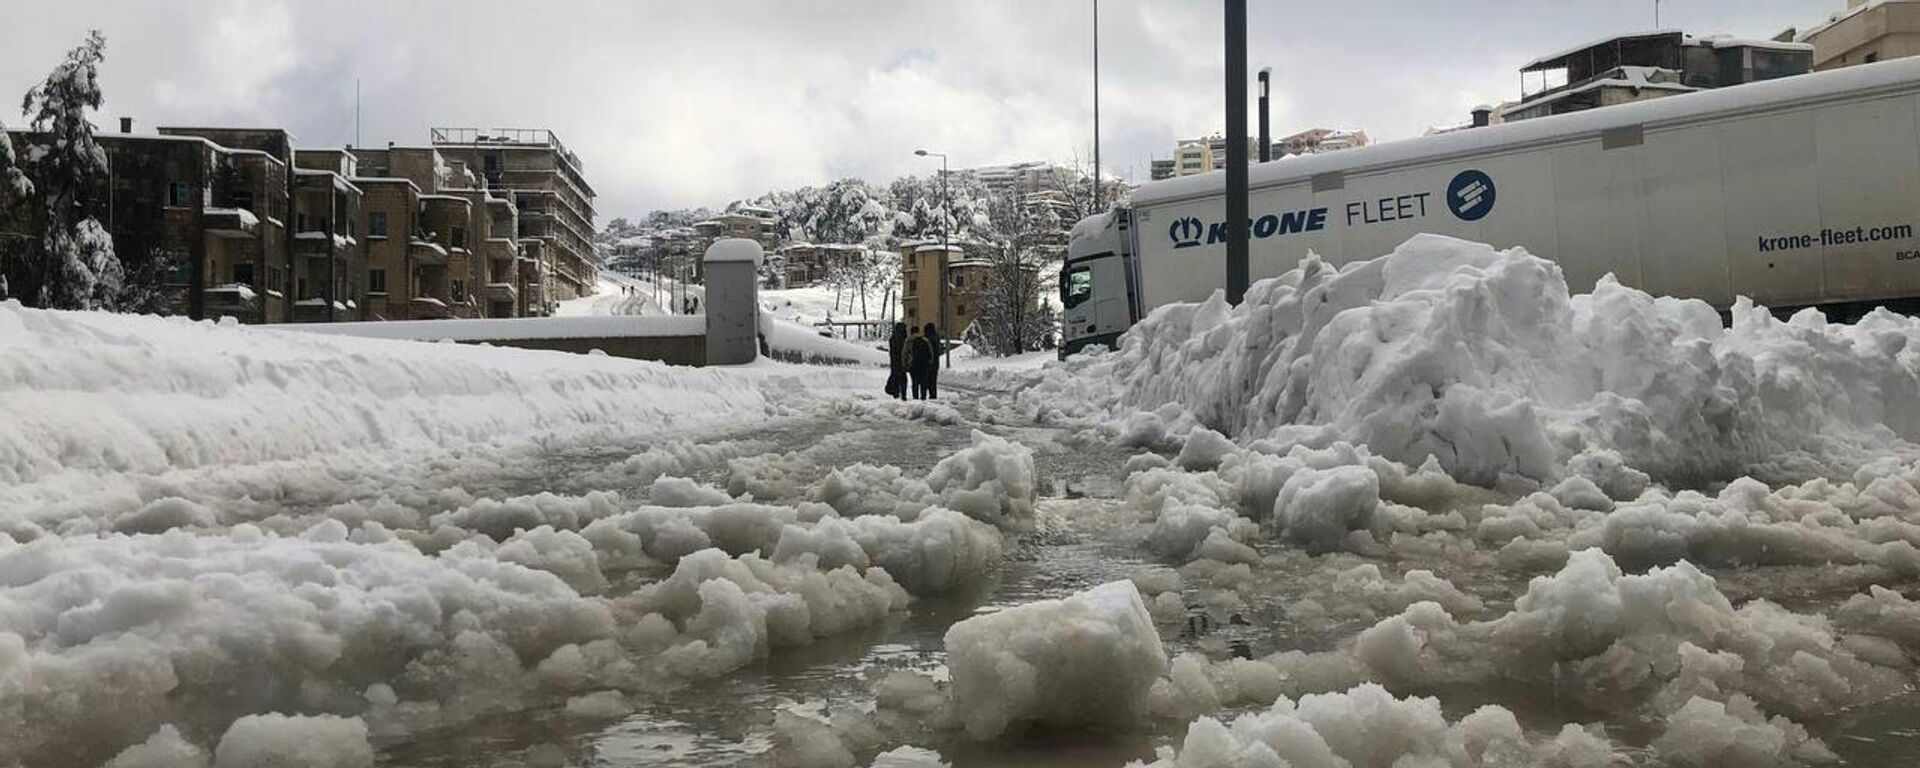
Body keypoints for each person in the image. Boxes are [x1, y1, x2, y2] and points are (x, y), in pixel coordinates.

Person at [904, 325, 933, 400]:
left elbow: (905, 353)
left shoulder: (909, 340)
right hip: (924, 364)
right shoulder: (925, 339)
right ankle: (923, 397)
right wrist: (930, 362)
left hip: (913, 364)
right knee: (923, 382)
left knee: (915, 382)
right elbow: (930, 352)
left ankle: (915, 397)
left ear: (911, 331)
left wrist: (905, 364)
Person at [885, 322, 908, 400]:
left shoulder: (893, 337)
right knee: (903, 378)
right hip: (901, 360)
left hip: (894, 360)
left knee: (895, 376)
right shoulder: (902, 337)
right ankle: (902, 394)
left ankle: (895, 392)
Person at [921, 323, 943, 399]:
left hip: (927, 361)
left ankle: (926, 394)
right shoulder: (937, 337)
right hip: (936, 362)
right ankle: (933, 394)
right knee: (933, 379)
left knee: (926, 378)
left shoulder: (927, 339)